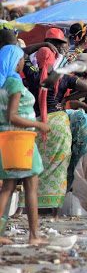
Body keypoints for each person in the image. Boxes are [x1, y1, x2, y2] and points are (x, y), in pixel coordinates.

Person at [29, 47, 87, 211]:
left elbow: (21, 51)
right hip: (59, 123)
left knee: (36, 166)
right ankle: (55, 212)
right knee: (59, 167)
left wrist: (42, 43)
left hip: (38, 124)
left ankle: (30, 207)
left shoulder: (32, 75)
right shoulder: (63, 77)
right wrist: (67, 98)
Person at [0, 45, 49, 246]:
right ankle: (34, 235)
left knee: (8, 187)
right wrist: (39, 124)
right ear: (14, 61)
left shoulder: (4, 83)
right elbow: (13, 115)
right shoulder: (14, 83)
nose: (23, 62)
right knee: (31, 186)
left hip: (9, 140)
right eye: (21, 59)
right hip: (21, 140)